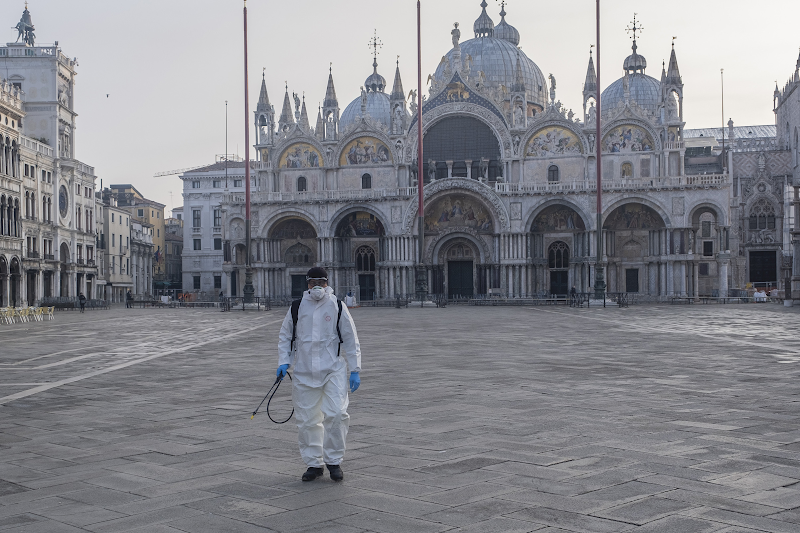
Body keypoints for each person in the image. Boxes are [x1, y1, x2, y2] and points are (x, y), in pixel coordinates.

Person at [277, 267, 361, 482]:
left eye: (321, 282)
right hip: (304, 371)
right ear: (307, 284)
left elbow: (351, 338)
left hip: (332, 369)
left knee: (337, 414)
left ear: (327, 283)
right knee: (307, 420)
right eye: (313, 282)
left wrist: (355, 369)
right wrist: (283, 362)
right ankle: (314, 463)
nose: (317, 286)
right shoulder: (296, 307)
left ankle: (334, 461)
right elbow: (285, 336)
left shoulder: (337, 305)